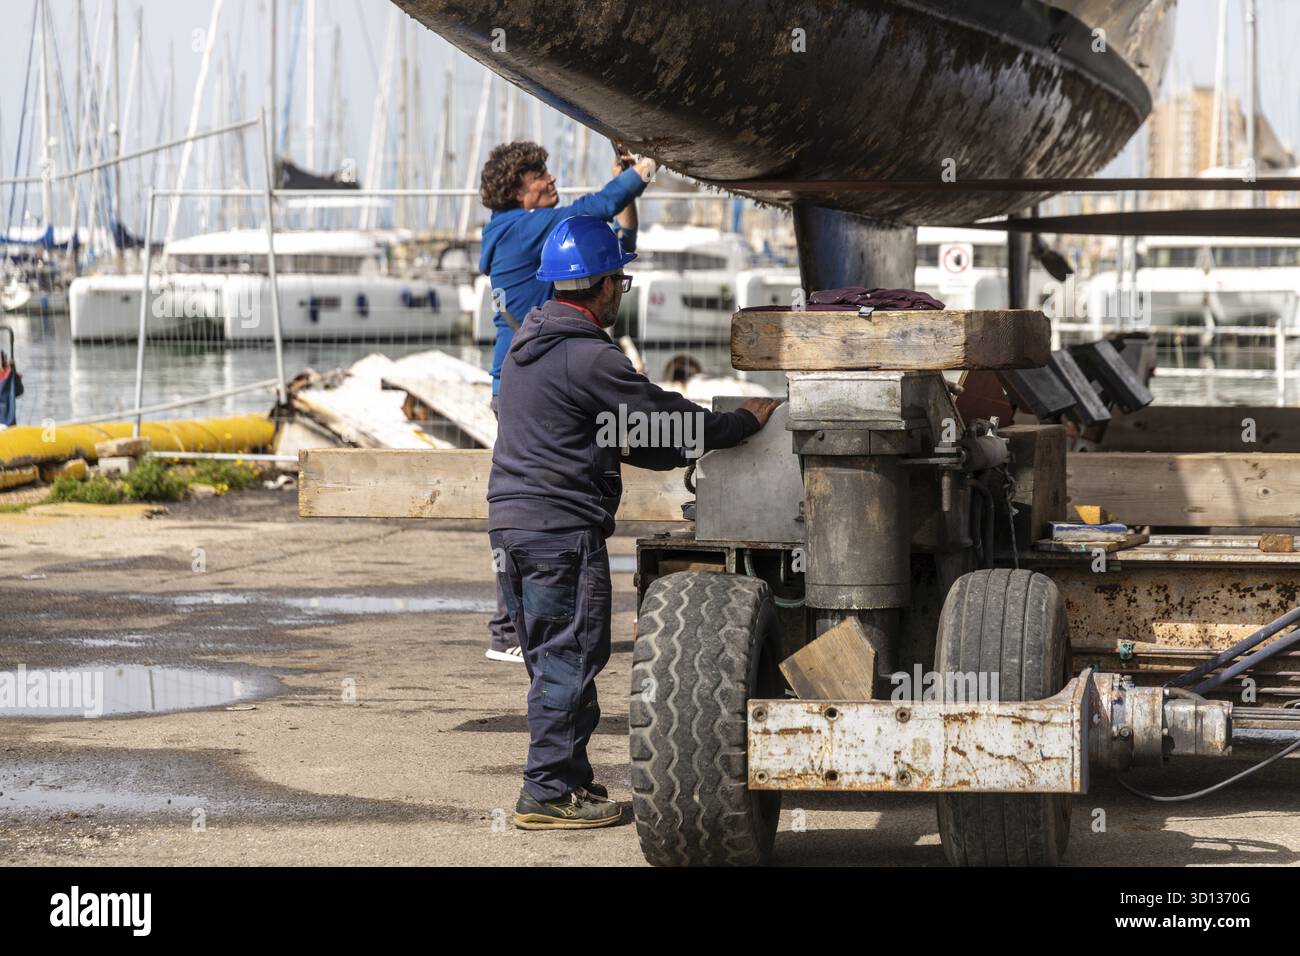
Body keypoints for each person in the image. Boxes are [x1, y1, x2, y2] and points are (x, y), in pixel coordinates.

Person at [488, 215, 781, 829]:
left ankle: (566, 780)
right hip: (559, 532)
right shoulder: (585, 357)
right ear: (599, 285)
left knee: (550, 657)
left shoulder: (528, 343)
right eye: (619, 281)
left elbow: (634, 435)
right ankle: (546, 792)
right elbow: (663, 424)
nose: (622, 291)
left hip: (514, 528)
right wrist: (740, 425)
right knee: (569, 657)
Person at [477, 140, 654, 664]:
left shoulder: (531, 228)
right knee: (537, 499)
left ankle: (516, 623)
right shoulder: (517, 227)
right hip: (525, 378)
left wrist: (626, 189)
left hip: (537, 376)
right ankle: (511, 627)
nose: (550, 181)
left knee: (543, 494)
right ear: (517, 193)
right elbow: (585, 212)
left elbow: (617, 237)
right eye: (539, 177)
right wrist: (641, 173)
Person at [0, 351, 22, 428]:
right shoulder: (7, 375)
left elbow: (19, 391)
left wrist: (13, 371)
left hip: (7, 424)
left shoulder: (8, 375)